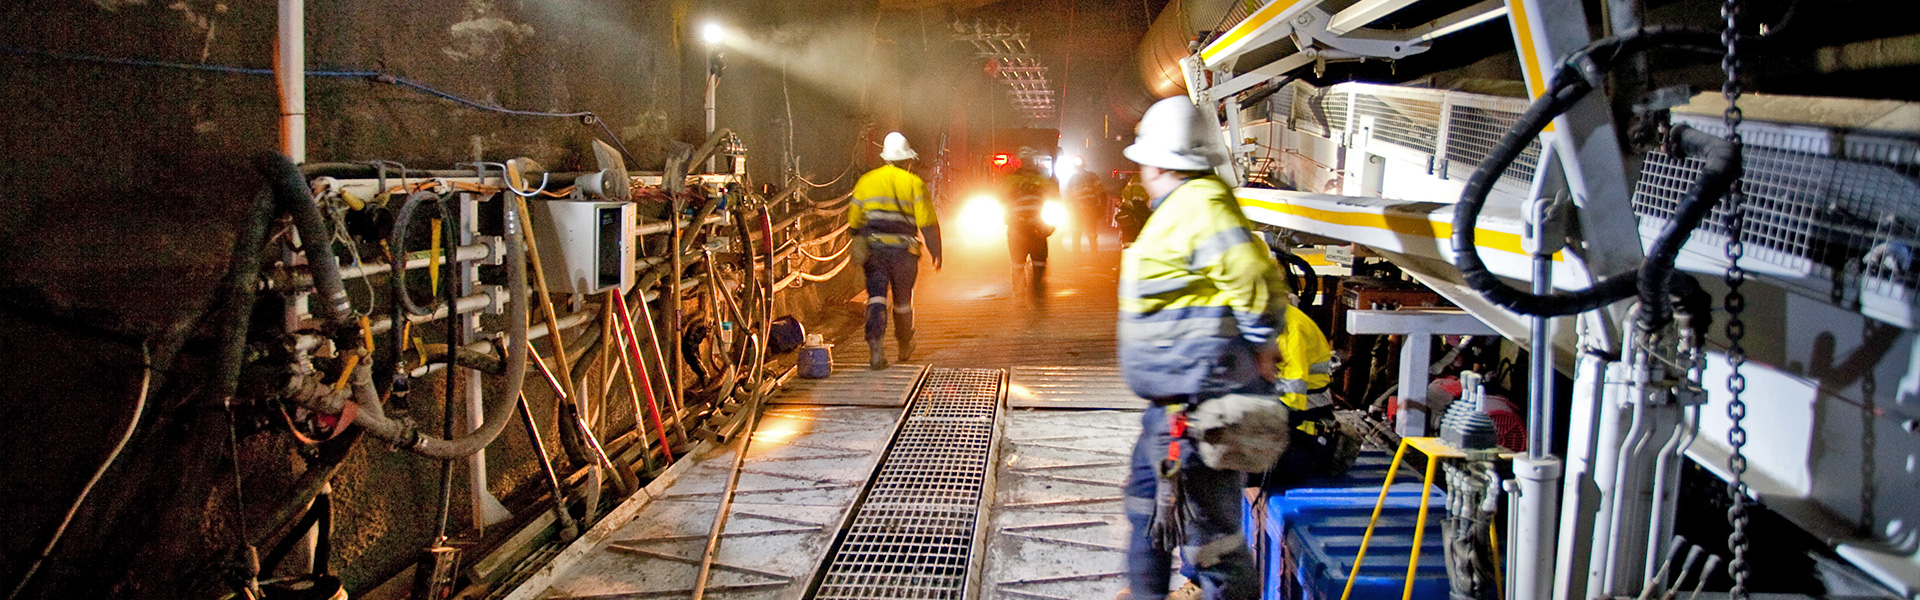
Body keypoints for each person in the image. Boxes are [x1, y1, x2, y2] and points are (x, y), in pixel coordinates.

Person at [1118, 97, 1290, 600]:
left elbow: (1255, 278)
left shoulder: (1202, 206)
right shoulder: (1186, 207)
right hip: (1172, 410)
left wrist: (1263, 346)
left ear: (1159, 162)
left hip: (1195, 410)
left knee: (1212, 543)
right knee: (1147, 514)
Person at [849, 132, 943, 369]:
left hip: (874, 250)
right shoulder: (914, 183)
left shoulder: (866, 181)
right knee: (902, 300)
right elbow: (927, 222)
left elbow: (855, 220)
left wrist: (859, 240)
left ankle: (876, 347)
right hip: (904, 251)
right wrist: (935, 250)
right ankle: (904, 345)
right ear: (907, 160)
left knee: (876, 296)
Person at [1003, 146, 1054, 291]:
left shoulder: (1041, 178)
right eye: (1025, 160)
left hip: (1037, 227)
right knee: (1018, 264)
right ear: (1021, 162)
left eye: (1029, 160)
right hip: (1017, 227)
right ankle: (1020, 292)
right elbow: (1002, 196)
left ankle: (1037, 291)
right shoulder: (1011, 179)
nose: (1028, 163)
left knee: (1040, 262)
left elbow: (1053, 194)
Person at [1066, 160, 1108, 252]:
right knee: (1078, 230)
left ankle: (1091, 250)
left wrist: (1102, 206)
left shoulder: (1090, 176)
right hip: (1080, 208)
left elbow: (1100, 192)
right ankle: (1079, 251)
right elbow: (1068, 195)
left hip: (1088, 207)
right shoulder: (1074, 178)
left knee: (1089, 230)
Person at [1116, 173, 1150, 248]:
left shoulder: (1140, 179)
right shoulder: (1141, 180)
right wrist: (1149, 216)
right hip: (1132, 215)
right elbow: (1138, 202)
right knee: (1132, 242)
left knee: (1129, 243)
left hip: (1129, 215)